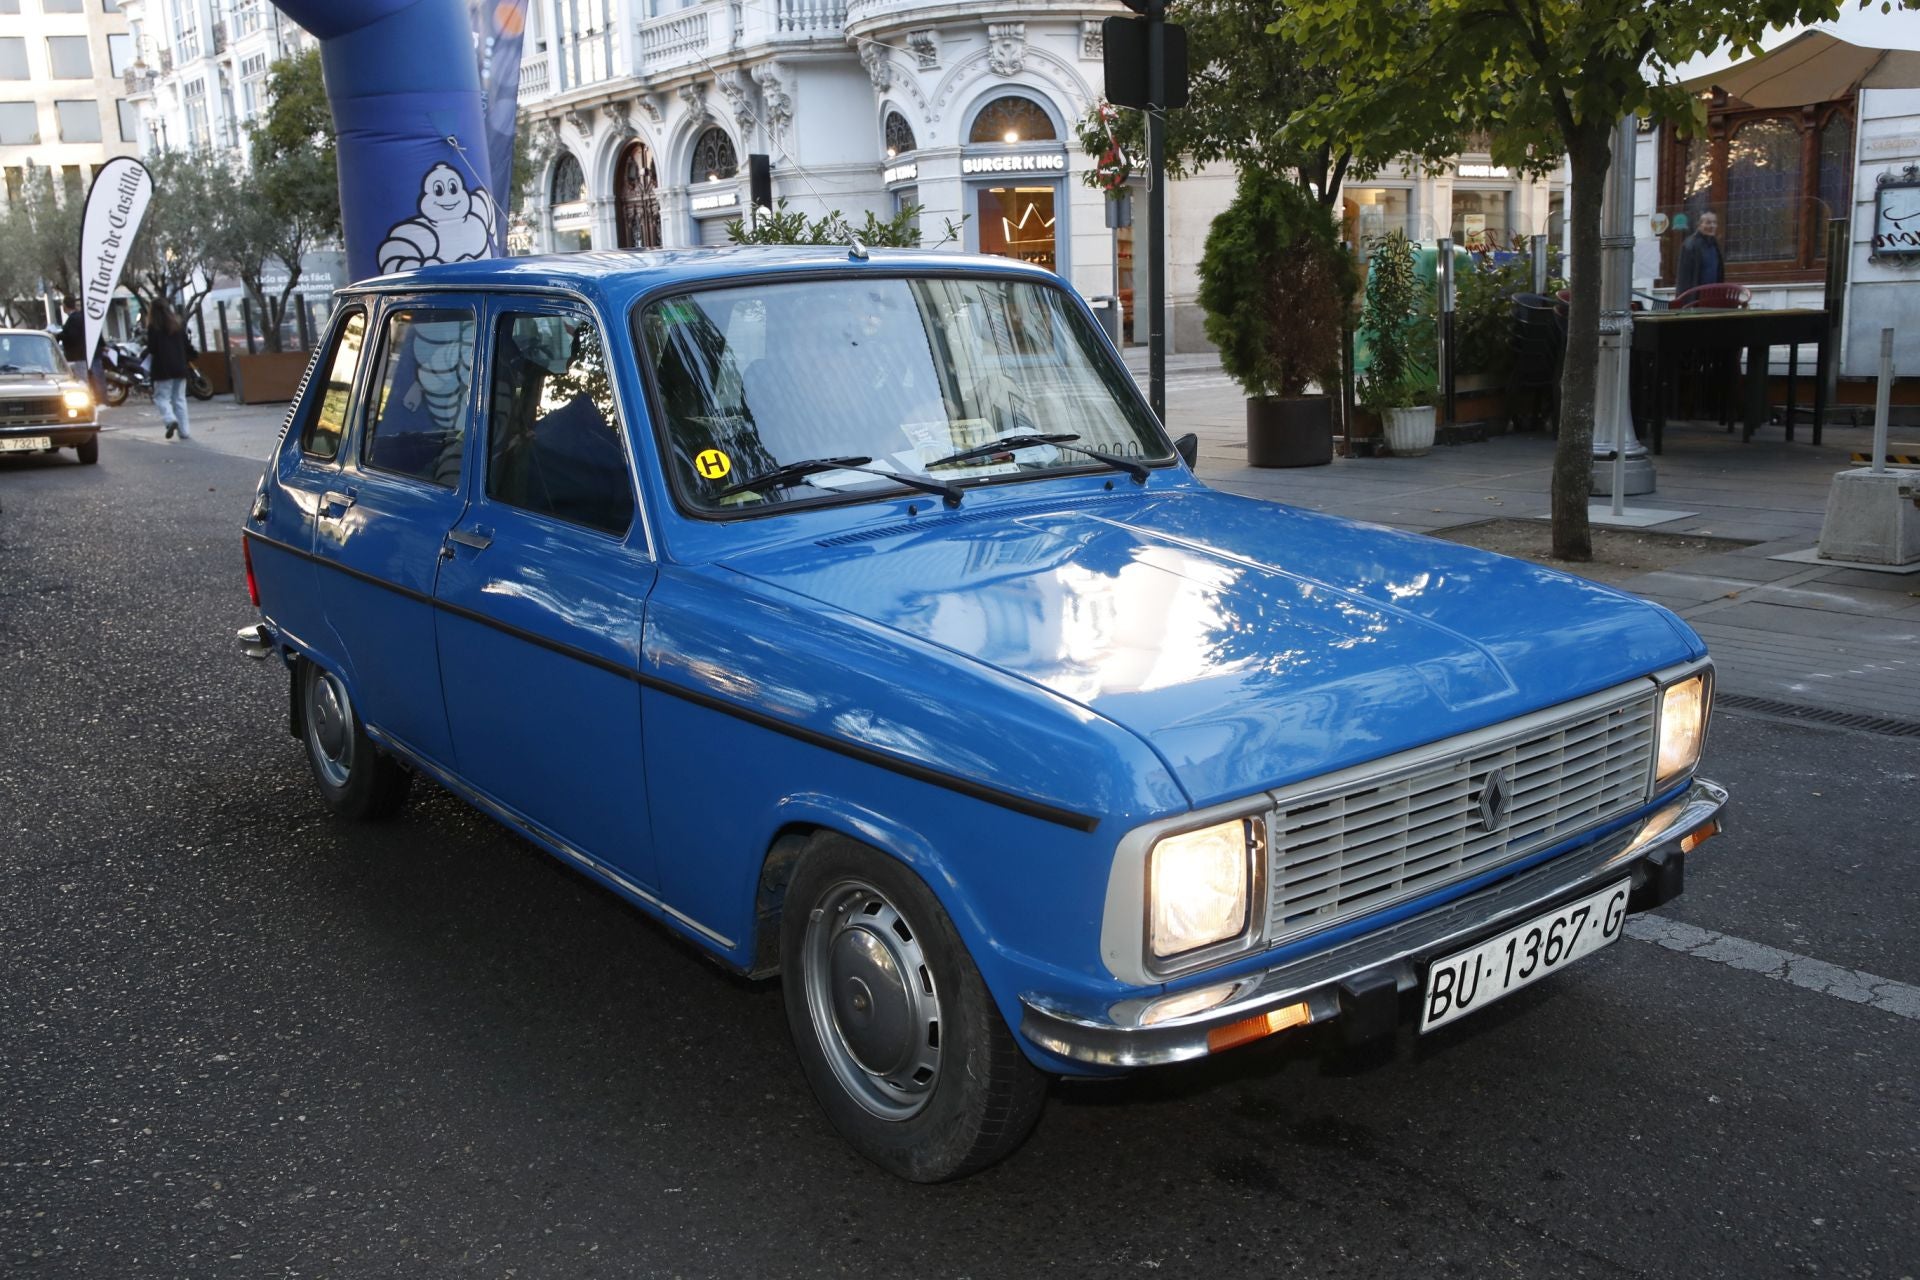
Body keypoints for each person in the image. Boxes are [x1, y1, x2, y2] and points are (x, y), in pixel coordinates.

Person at [146, 300, 197, 441]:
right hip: (180, 368)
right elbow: (187, 346)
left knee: (161, 397)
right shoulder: (177, 325)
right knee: (179, 399)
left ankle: (170, 420)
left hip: (162, 369)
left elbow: (152, 348)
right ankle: (184, 431)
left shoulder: (153, 327)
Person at [1675, 211, 1724, 298]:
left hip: (1713, 296)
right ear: (1699, 225)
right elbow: (1684, 279)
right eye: (1708, 222)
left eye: (1714, 223)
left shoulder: (1714, 244)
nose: (1712, 226)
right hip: (1695, 299)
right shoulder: (1690, 245)